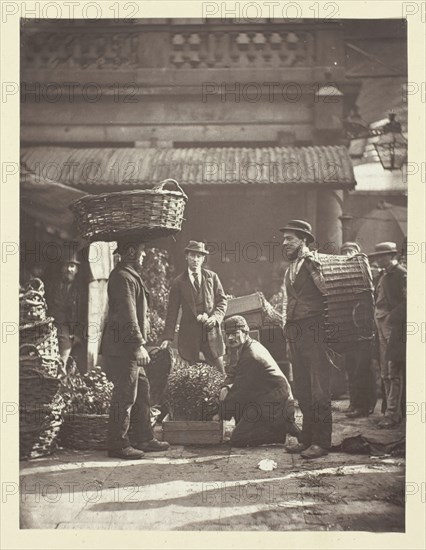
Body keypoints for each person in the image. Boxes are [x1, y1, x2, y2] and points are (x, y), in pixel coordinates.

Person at [100, 238, 170, 459]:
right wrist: (138, 345)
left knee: (142, 391)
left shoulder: (128, 275)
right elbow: (127, 315)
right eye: (141, 251)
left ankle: (143, 438)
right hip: (123, 349)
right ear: (130, 251)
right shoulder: (122, 277)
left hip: (126, 348)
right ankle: (118, 445)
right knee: (125, 394)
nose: (144, 255)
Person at [280, 220, 332, 459]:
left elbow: (329, 294)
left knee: (318, 388)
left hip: (315, 331)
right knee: (302, 388)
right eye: (284, 239)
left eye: (289, 238)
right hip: (296, 332)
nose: (285, 243)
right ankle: (307, 439)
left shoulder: (313, 263)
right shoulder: (290, 268)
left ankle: (322, 443)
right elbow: (286, 301)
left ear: (303, 240)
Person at [219, 315, 301, 447]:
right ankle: (282, 425)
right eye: (227, 334)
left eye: (235, 333)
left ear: (245, 332)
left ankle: (279, 432)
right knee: (237, 404)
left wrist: (219, 414)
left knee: (237, 440)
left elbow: (240, 390)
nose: (230, 338)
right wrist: (226, 387)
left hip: (276, 402)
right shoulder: (246, 346)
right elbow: (234, 371)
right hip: (265, 396)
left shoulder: (251, 354)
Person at [161, 241, 228, 373]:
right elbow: (172, 312)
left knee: (220, 373)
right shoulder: (178, 282)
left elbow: (222, 302)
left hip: (211, 334)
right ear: (186, 256)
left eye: (199, 256)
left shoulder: (212, 277)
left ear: (203, 258)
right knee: (192, 376)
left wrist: (215, 318)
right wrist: (167, 337)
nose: (195, 259)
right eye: (192, 255)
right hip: (189, 336)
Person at [369, 242, 406, 428]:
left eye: (380, 256)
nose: (377, 259)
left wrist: (392, 317)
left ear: (390, 256)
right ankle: (389, 411)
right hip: (380, 325)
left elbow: (410, 301)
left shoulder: (401, 274)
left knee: (393, 371)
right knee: (384, 370)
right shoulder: (383, 275)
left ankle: (393, 414)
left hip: (393, 328)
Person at [340, 242, 377, 418]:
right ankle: (354, 402)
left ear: (357, 252)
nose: (348, 255)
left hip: (364, 327)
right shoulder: (342, 275)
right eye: (345, 252)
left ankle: (365, 405)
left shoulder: (365, 271)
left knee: (363, 368)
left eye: (351, 251)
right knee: (351, 366)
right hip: (349, 327)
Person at [46, 251, 83, 367]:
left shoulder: (81, 290)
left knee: (63, 360)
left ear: (76, 270)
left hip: (69, 330)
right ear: (62, 268)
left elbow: (84, 314)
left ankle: (60, 377)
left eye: (72, 266)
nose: (69, 269)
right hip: (51, 325)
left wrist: (78, 333)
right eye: (66, 265)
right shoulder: (52, 286)